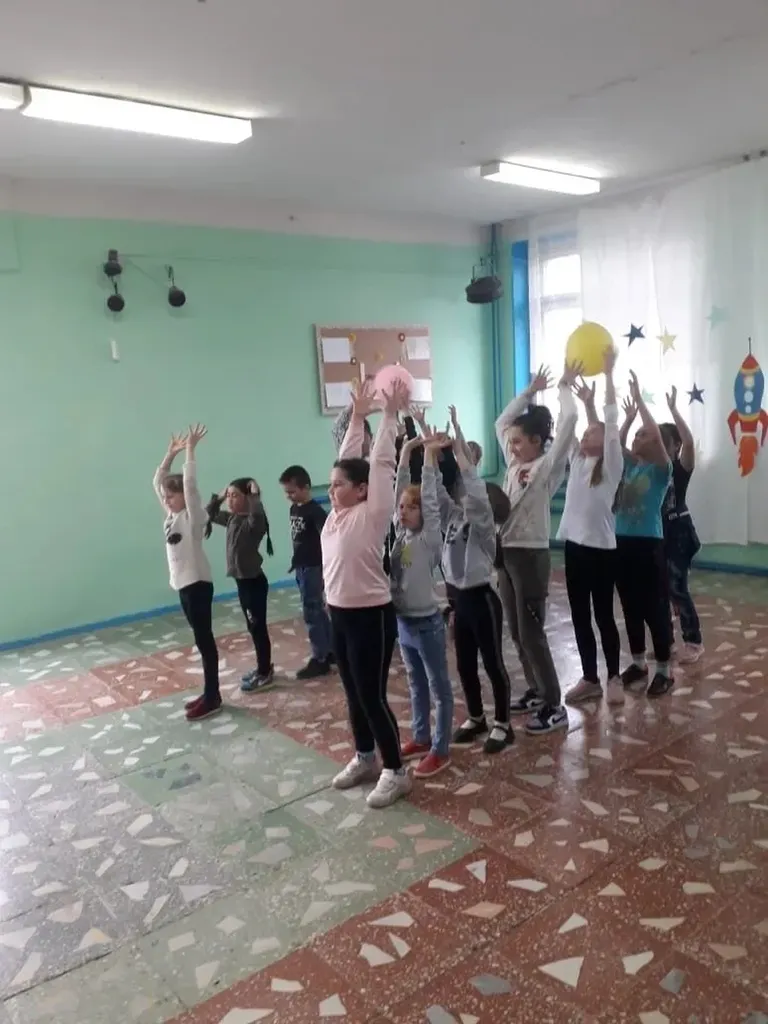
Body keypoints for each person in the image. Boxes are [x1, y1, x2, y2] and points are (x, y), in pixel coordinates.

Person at [323, 377, 412, 809]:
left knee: (372, 695)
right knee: (353, 693)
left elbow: (378, 463)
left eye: (339, 485)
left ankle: (396, 771)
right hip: (338, 613)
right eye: (330, 484)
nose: (332, 490)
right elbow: (349, 459)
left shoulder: (372, 513)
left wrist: (389, 416)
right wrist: (357, 417)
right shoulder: (335, 516)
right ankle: (365, 756)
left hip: (370, 615)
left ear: (361, 490)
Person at [495, 362, 580, 734]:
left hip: (531, 556)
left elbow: (569, 420)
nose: (512, 447)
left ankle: (553, 705)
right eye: (512, 443)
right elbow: (501, 423)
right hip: (505, 553)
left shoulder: (547, 466)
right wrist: (528, 393)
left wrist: (563, 387)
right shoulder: (513, 464)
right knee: (516, 631)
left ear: (536, 441)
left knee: (532, 633)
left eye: (519, 442)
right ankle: (536, 690)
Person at [437, 428, 514, 755]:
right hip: (460, 601)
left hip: (483, 600)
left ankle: (503, 724)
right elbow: (437, 494)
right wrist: (432, 456)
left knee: (493, 663)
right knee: (465, 664)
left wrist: (461, 451)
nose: (466, 497)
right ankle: (476, 717)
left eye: (473, 497)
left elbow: (478, 496)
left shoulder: (485, 529)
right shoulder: (455, 518)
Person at [557, 351, 625, 706]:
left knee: (603, 616)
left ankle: (613, 676)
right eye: (585, 433)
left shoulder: (611, 465)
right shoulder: (577, 459)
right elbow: (565, 425)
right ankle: (590, 678)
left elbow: (610, 422)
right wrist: (566, 384)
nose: (585, 435)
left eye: (591, 432)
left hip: (601, 551)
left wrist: (609, 374)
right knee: (580, 616)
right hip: (575, 549)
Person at [390, 428, 454, 778]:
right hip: (404, 622)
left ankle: (441, 750)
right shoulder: (399, 534)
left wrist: (428, 456)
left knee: (438, 688)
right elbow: (398, 487)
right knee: (415, 684)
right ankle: (421, 736)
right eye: (402, 507)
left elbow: (429, 498)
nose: (404, 512)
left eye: (411, 508)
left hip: (428, 623)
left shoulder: (430, 538)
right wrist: (405, 452)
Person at [152, 424, 221, 722]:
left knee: (205, 641)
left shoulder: (193, 518)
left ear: (183, 496)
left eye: (172, 495)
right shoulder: (171, 516)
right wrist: (170, 454)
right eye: (166, 497)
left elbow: (190, 485)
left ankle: (213, 696)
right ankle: (209, 692)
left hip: (198, 585)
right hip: (183, 585)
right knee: (200, 640)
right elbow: (157, 482)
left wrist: (190, 451)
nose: (167, 499)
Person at [616, 371, 674, 696]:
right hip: (621, 543)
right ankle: (638, 663)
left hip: (649, 545)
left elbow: (654, 434)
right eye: (636, 435)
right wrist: (627, 420)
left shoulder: (661, 470)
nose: (637, 439)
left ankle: (664, 670)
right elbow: (616, 445)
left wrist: (639, 400)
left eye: (643, 435)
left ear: (656, 443)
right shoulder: (630, 465)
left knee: (655, 608)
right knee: (630, 607)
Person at [206, 478, 275, 692]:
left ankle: (264, 672)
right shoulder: (232, 519)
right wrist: (218, 498)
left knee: (258, 628)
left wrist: (255, 497)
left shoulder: (254, 523)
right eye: (229, 496)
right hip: (242, 583)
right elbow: (209, 515)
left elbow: (257, 516)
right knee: (253, 627)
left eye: (235, 496)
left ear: (247, 498)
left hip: (254, 583)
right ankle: (263, 667)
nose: (230, 500)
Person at [278, 465, 334, 679]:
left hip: (313, 566)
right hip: (301, 566)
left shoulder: (315, 512)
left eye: (292, 492)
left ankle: (320, 658)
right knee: (316, 609)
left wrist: (325, 568)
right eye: (286, 492)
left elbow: (327, 539)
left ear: (306, 487)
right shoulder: (294, 509)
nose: (288, 496)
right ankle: (330, 650)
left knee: (312, 611)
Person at [660, 387, 703, 663]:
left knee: (677, 588)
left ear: (674, 446)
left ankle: (693, 641)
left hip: (679, 533)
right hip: (659, 533)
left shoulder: (679, 468)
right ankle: (666, 642)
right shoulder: (652, 469)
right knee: (660, 590)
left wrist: (674, 410)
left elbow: (688, 442)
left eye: (663, 441)